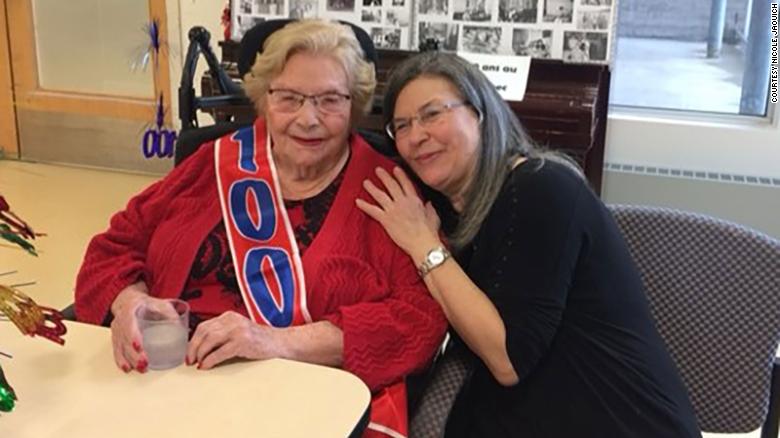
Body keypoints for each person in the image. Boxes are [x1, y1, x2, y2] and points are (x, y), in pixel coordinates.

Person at [74, 20, 447, 438]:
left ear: (354, 106)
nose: (309, 119)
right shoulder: (213, 163)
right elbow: (113, 247)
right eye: (289, 98)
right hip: (162, 385)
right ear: (264, 98)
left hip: (293, 405)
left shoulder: (384, 189)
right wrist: (129, 302)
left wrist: (276, 341)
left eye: (329, 100)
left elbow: (420, 318)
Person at [356, 51, 701, 437]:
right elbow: (359, 146)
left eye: (432, 114)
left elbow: (507, 360)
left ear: (481, 112)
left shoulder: (540, 187)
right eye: (401, 126)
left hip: (617, 415)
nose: (416, 135)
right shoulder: (453, 200)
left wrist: (421, 243)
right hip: (540, 408)